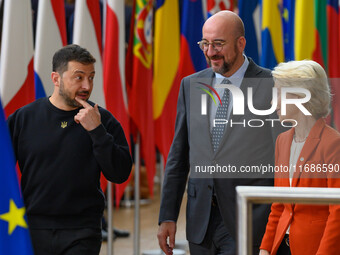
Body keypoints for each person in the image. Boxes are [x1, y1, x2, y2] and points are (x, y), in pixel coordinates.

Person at [157, 11, 284, 255]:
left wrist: (278, 224)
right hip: (200, 221)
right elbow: (178, 156)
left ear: (241, 43)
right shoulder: (190, 85)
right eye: (205, 43)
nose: (210, 51)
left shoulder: (272, 85)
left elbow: (283, 160)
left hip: (250, 221)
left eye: (218, 43)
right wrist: (167, 216)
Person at [7, 44, 132, 255]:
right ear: (56, 79)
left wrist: (97, 132)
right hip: (33, 228)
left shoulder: (103, 120)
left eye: (91, 77)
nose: (87, 85)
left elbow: (120, 173)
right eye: (79, 77)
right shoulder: (23, 119)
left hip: (83, 230)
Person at [259, 60, 340, 255]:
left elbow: (337, 211)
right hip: (280, 247)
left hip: (315, 248)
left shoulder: (333, 143)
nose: (273, 102)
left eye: (279, 93)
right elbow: (278, 204)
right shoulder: (282, 141)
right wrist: (265, 249)